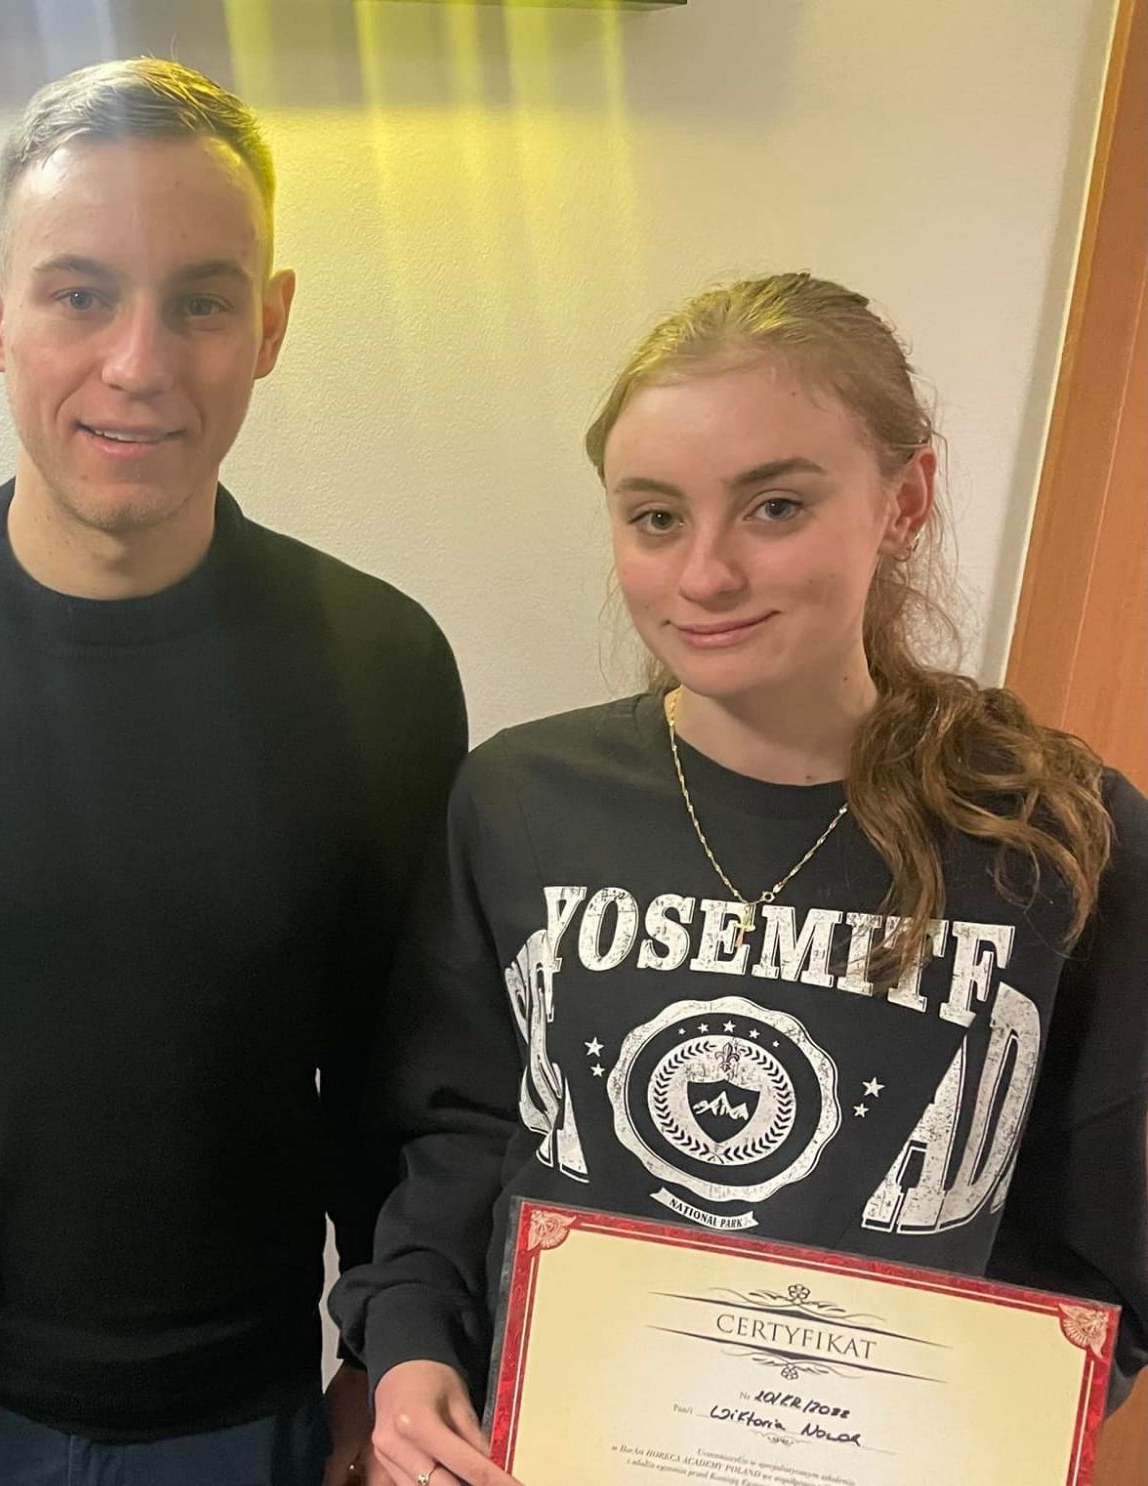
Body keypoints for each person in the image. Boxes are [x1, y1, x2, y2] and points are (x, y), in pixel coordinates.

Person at [0, 58, 468, 1486]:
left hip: (244, 1410)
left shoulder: (382, 666)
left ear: (269, 325)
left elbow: (396, 1075)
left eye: (200, 301)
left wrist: (381, 1352)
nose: (139, 362)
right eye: (80, 294)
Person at [331, 271, 1148, 1486]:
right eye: (655, 516)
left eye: (773, 506)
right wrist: (402, 1348)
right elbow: (455, 1129)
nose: (704, 573)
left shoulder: (1056, 831)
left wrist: (1001, 1427)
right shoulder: (519, 800)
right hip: (533, 1455)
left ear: (903, 501)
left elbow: (1105, 1225)